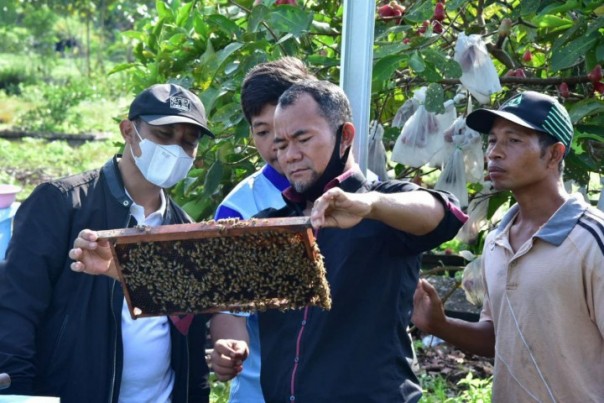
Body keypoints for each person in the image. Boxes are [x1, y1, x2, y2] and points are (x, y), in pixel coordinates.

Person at [212, 79, 467, 402]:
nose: (290, 155)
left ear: (344, 137)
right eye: (280, 144)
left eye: (302, 139)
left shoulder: (384, 207)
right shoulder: (272, 224)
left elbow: (443, 213)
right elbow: (232, 305)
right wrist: (229, 346)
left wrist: (370, 205)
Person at [0, 83, 215, 402]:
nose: (176, 150)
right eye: (164, 135)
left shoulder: (183, 229)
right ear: (129, 130)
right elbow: (16, 308)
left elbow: (190, 337)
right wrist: (16, 390)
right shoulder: (62, 204)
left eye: (188, 142)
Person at [411, 91, 604, 401]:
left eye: (513, 141)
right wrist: (439, 324)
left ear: (554, 154)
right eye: (491, 141)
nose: (494, 153)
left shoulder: (592, 239)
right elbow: (497, 337)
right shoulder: (498, 240)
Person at [210, 56, 313, 403]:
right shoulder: (239, 210)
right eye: (262, 131)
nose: (275, 145)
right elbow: (230, 308)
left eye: (284, 129)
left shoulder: (361, 195)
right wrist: (229, 346)